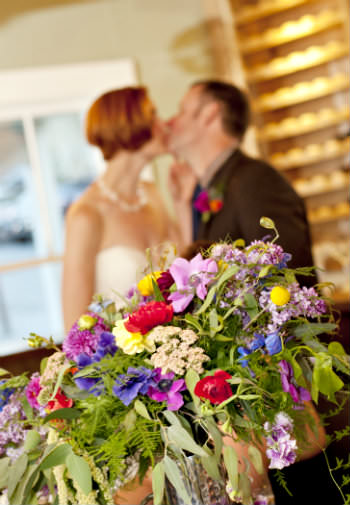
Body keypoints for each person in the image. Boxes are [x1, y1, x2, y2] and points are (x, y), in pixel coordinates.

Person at [166, 80, 315, 280]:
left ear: (210, 113)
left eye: (182, 111)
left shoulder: (257, 181)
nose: (171, 121)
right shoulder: (212, 187)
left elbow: (289, 274)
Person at [62, 86, 177, 333]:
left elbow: (189, 264)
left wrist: (182, 198)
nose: (163, 124)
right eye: (153, 114)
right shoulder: (86, 215)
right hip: (124, 365)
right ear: (128, 124)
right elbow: (74, 326)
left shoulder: (153, 194)